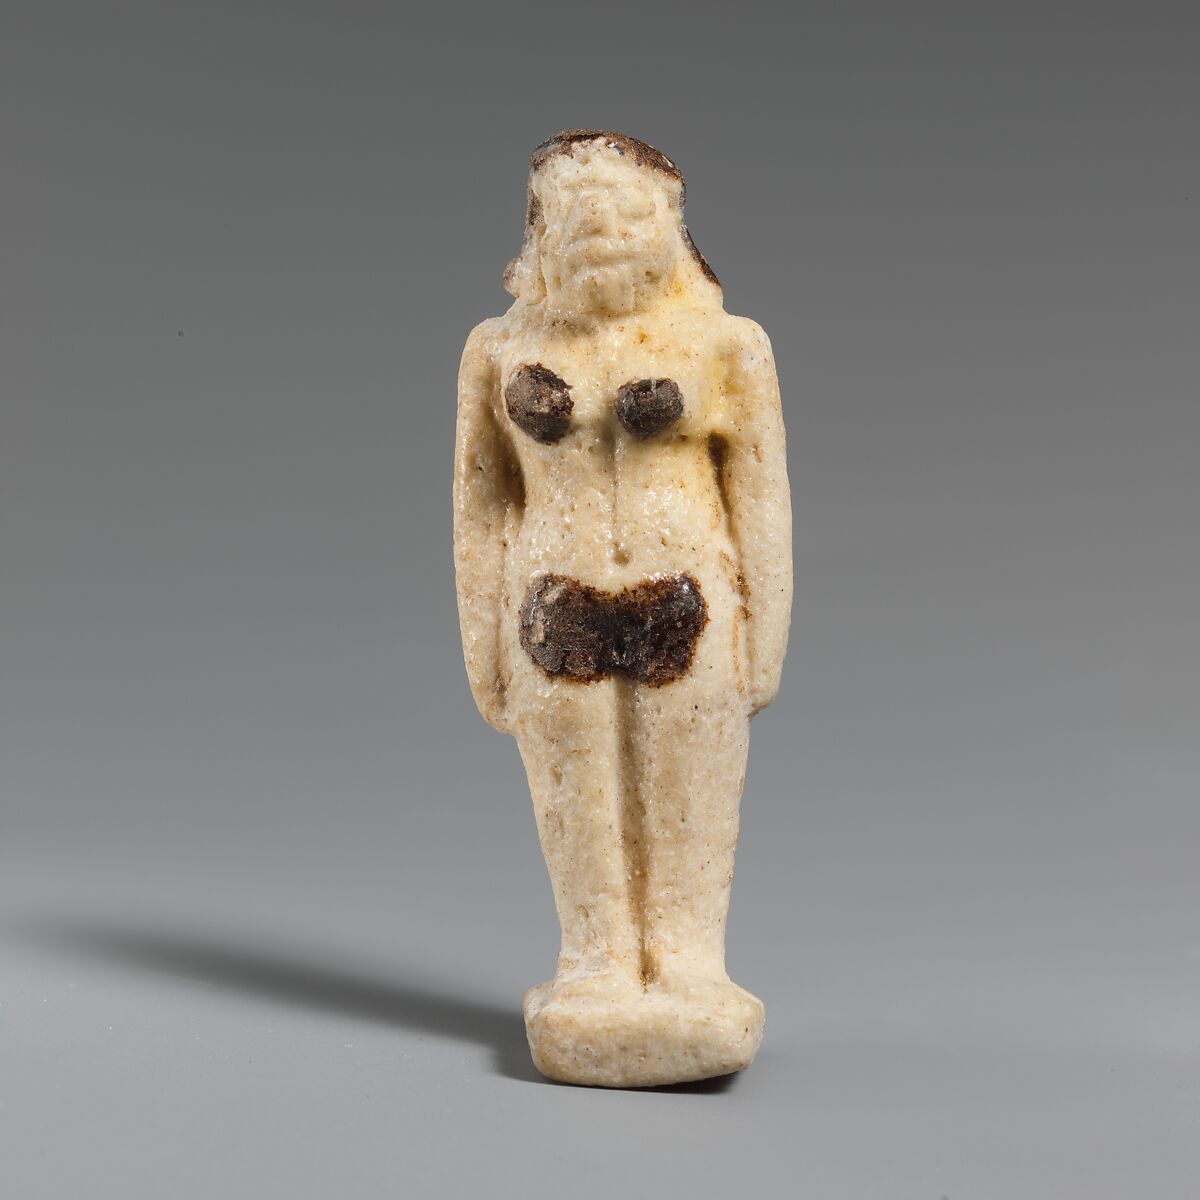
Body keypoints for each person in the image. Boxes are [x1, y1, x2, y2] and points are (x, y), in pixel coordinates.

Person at [453, 131, 792, 1086]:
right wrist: (482, 648)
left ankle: (690, 967)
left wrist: (765, 641)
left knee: (688, 788)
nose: (602, 226)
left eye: (629, 208)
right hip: (550, 604)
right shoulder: (498, 348)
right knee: (577, 795)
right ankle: (594, 963)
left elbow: (760, 501)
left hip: (689, 599)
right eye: (577, 208)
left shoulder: (727, 346)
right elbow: (480, 508)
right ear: (539, 228)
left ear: (670, 227)